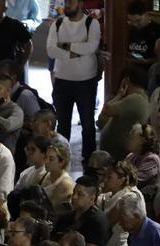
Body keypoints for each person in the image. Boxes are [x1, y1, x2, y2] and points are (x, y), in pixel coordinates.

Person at [47, 0, 102, 161]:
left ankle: (89, 159)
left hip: (86, 81)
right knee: (63, 124)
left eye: (70, 2)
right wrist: (76, 52)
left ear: (79, 3)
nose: (67, 5)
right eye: (65, 2)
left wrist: (63, 46)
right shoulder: (57, 24)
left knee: (87, 124)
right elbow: (51, 50)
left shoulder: (91, 23)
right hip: (62, 81)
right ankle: (61, 159)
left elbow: (91, 47)